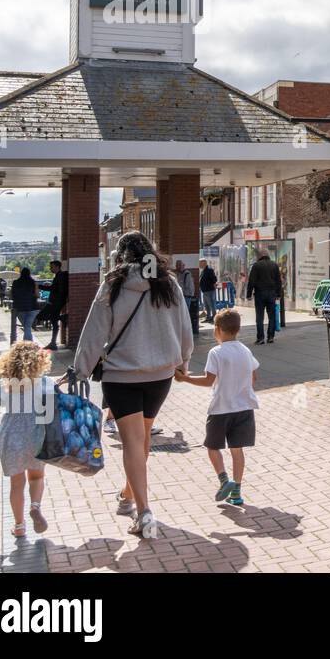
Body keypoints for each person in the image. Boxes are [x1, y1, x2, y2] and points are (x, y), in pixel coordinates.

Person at [73, 230, 193, 540]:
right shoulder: (167, 282)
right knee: (142, 440)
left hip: (122, 376)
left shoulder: (113, 285)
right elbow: (184, 325)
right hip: (160, 376)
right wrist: (184, 361)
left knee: (132, 443)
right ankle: (129, 494)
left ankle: (144, 512)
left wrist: (80, 370)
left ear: (121, 256)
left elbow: (94, 332)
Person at [175, 308, 259, 507]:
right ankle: (237, 491)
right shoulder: (246, 351)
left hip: (221, 409)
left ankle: (224, 481)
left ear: (218, 329)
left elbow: (208, 381)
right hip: (244, 408)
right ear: (237, 329)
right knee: (237, 450)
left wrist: (185, 378)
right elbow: (253, 377)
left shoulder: (216, 352)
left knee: (213, 447)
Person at [0, 341, 53, 538]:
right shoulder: (44, 383)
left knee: (16, 485)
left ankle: (19, 526)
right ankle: (35, 506)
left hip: (11, 436)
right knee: (37, 477)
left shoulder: (1, 385)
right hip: (37, 435)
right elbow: (53, 411)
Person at [246, 250, 282, 346]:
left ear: (260, 256)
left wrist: (248, 294)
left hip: (260, 294)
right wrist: (279, 294)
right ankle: (270, 337)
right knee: (272, 316)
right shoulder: (274, 265)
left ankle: (260, 338)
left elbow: (251, 281)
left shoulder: (256, 266)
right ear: (267, 256)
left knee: (259, 317)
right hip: (272, 294)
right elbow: (279, 281)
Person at [9, 267, 41, 344]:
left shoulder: (15, 282)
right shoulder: (33, 282)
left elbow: (11, 295)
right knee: (27, 327)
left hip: (20, 308)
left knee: (26, 327)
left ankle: (28, 344)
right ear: (29, 274)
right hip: (33, 307)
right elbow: (37, 295)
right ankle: (28, 345)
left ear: (21, 274)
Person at [42, 260, 69, 351]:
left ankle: (63, 318)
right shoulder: (59, 276)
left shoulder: (60, 276)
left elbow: (54, 289)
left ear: (57, 267)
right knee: (53, 320)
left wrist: (40, 287)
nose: (50, 269)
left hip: (57, 302)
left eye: (52, 267)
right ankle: (53, 343)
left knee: (51, 318)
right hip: (57, 301)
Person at [175, 260, 199, 336]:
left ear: (183, 265)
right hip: (182, 296)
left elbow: (189, 287)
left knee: (185, 314)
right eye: (177, 265)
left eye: (179, 265)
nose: (178, 267)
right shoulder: (179, 274)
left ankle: (186, 331)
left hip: (186, 296)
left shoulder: (187, 274)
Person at [198, 258, 219, 323]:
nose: (199, 264)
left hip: (209, 290)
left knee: (211, 304)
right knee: (206, 305)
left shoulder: (209, 270)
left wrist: (211, 284)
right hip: (205, 291)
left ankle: (214, 317)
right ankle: (208, 317)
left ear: (204, 263)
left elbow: (214, 279)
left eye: (200, 263)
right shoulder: (203, 271)